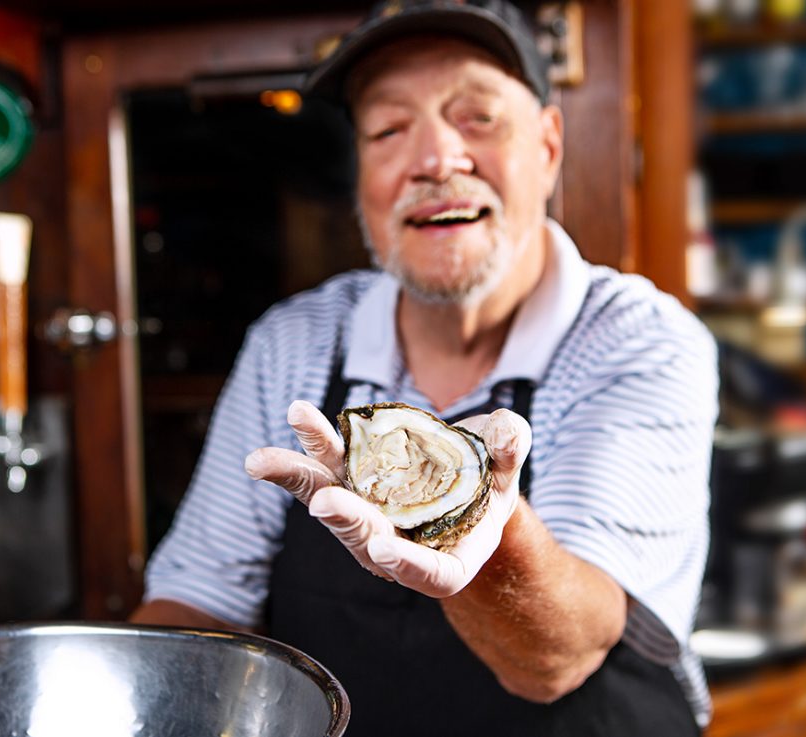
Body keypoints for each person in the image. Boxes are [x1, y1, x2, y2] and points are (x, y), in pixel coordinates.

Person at [130, 1, 718, 734]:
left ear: (547, 146)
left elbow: (557, 659)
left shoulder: (635, 339)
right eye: (388, 130)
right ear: (361, 176)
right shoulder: (296, 341)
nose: (437, 160)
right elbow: (200, 602)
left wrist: (472, 518)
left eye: (478, 118)